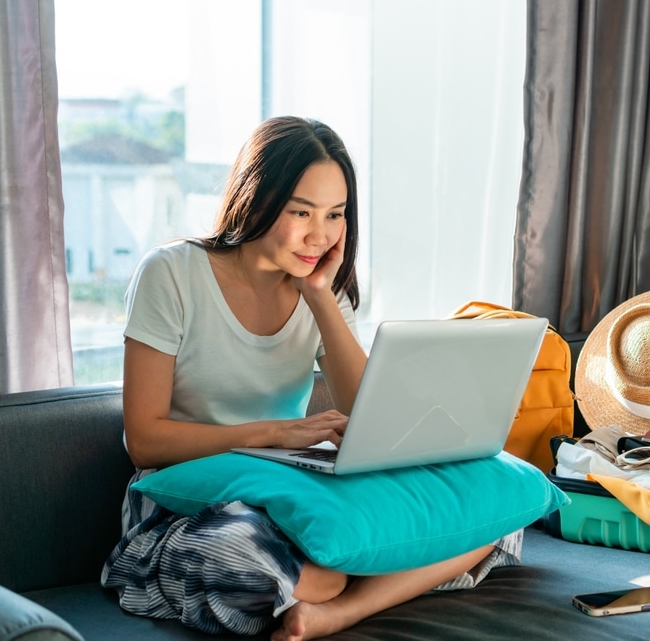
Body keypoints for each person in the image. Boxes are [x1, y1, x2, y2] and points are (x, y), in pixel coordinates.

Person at [100, 116, 522, 640]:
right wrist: (276, 433)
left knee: (496, 512)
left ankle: (341, 611)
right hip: (183, 498)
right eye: (301, 211)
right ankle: (352, 582)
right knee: (290, 564)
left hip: (289, 487)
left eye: (335, 215)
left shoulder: (321, 285)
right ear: (257, 199)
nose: (319, 236)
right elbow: (144, 441)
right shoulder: (170, 273)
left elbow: (369, 414)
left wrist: (320, 297)